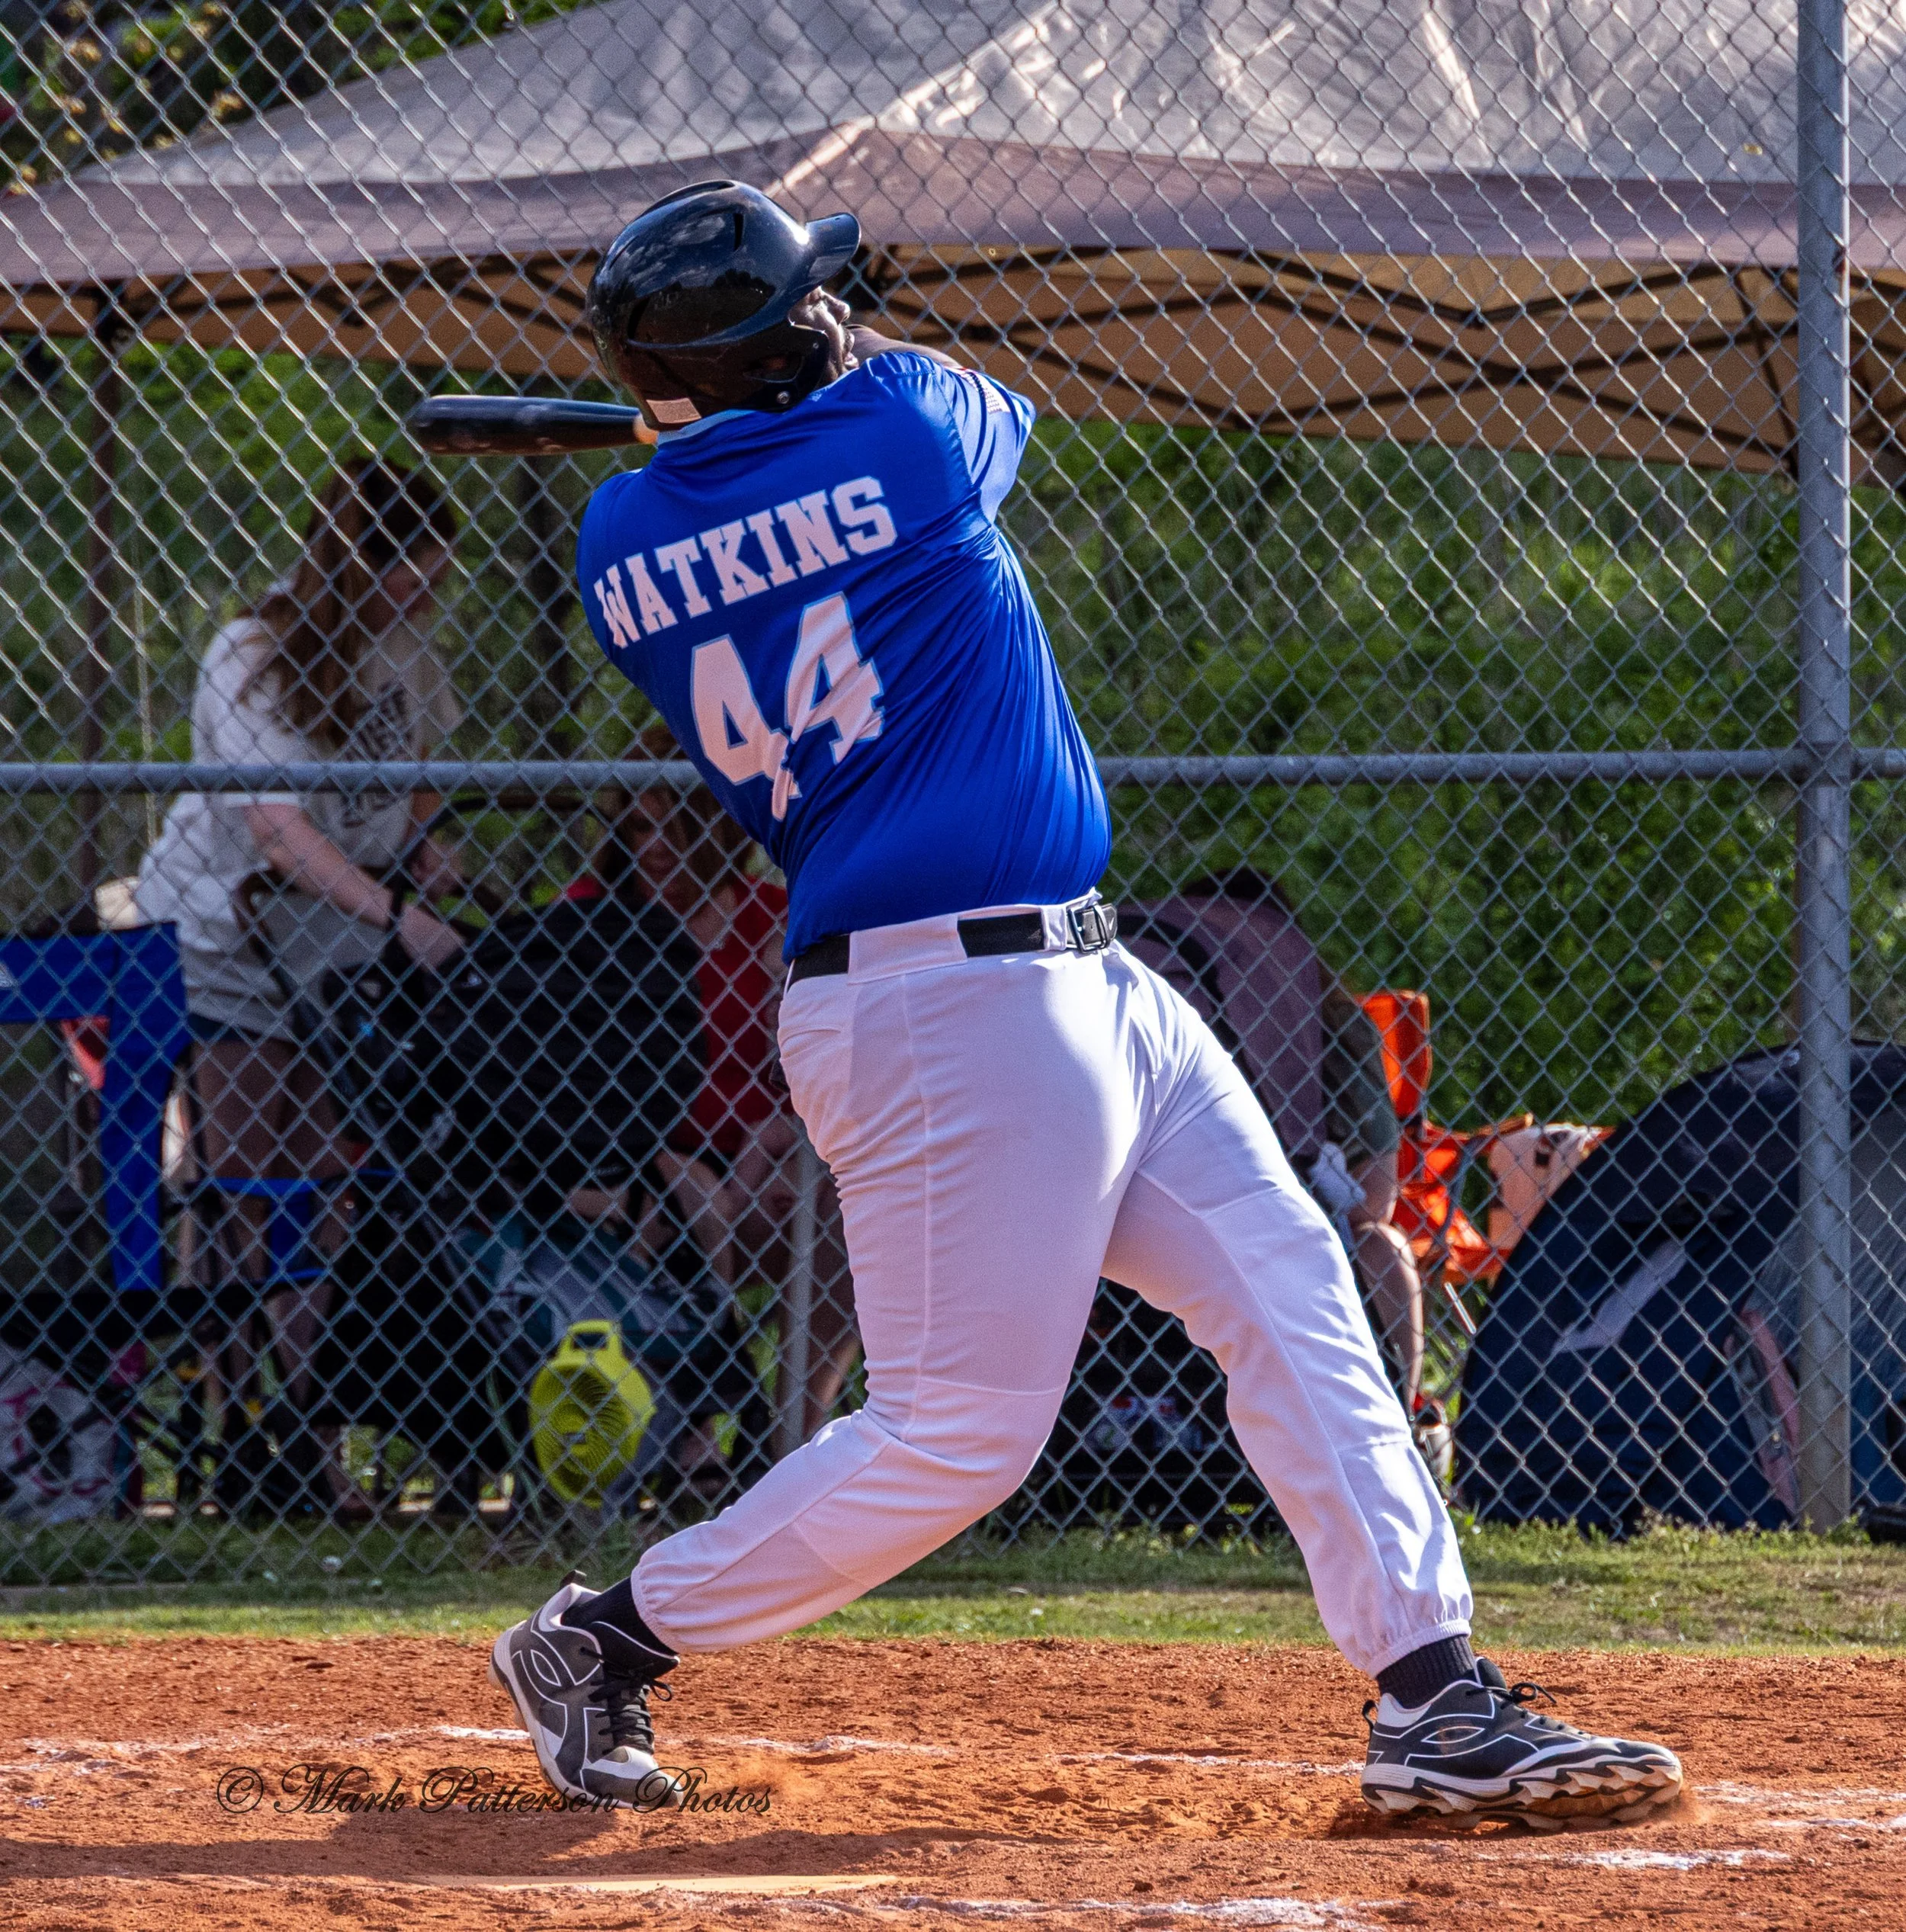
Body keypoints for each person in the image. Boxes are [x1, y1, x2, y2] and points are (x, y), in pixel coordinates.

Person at [487, 181, 1682, 1828]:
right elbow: (923, 401)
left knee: (1291, 1287)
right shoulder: (906, 428)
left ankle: (1432, 1694)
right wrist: (805, 362)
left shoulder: (618, 537)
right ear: (787, 352)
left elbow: (763, 466)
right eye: (816, 305)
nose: (845, 314)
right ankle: (606, 1636)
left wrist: (744, 385)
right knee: (957, 1432)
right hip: (947, 1009)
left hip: (1081, 980)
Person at [136, 458, 469, 1513]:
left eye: (435, 576)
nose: (423, 594)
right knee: (243, 1181)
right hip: (232, 938)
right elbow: (276, 830)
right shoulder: (252, 651)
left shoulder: (402, 649)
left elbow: (416, 778)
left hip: (335, 956)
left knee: (325, 1187)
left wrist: (424, 850)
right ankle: (241, 1432)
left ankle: (315, 1442)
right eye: (409, 572)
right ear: (357, 560)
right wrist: (395, 914)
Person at [568, 755, 858, 1447]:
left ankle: (788, 1441)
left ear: (721, 830)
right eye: (640, 828)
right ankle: (682, 1428)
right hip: (635, 1165)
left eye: (678, 830)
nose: (655, 848)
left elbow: (821, 1077)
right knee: (684, 1204)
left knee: (848, 1210)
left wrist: (778, 1130)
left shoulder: (773, 916)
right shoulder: (587, 915)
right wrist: (676, 1170)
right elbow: (565, 1085)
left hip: (761, 1160)